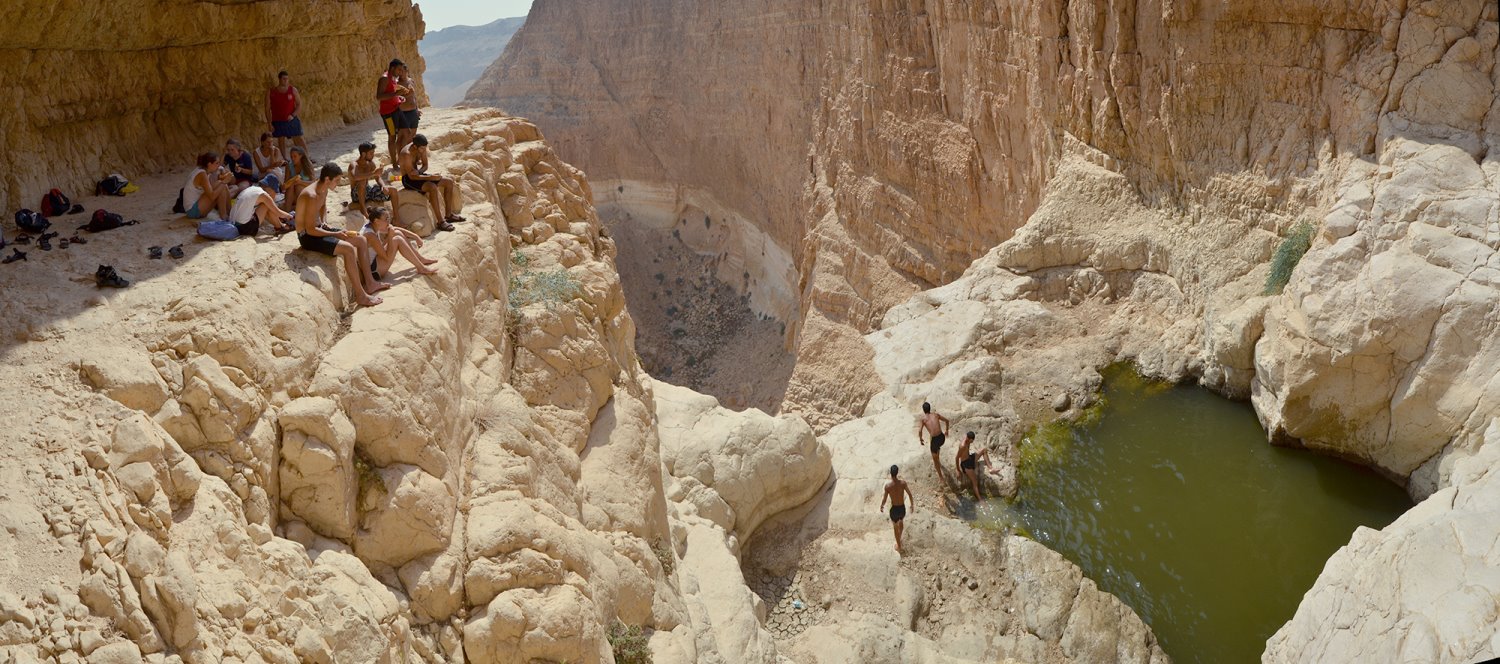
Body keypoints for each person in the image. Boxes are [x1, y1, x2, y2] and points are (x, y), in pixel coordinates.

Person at [293, 163, 387, 307]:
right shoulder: (310, 195)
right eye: (336, 180)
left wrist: (324, 222)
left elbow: (323, 206)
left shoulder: (323, 189)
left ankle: (370, 283)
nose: (337, 183)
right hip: (307, 236)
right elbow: (310, 230)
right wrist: (336, 233)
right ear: (327, 179)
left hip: (318, 228)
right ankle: (361, 296)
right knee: (348, 249)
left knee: (361, 240)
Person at [400, 134, 465, 229]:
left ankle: (449, 215)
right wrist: (430, 178)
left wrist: (419, 172)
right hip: (408, 179)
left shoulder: (421, 147)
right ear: (415, 146)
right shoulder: (407, 154)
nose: (424, 150)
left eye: (425, 148)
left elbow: (425, 166)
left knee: (449, 182)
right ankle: (441, 222)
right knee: (432, 187)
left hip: (417, 174)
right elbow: (412, 177)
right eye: (422, 148)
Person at [361, 206, 438, 279]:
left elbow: (395, 229)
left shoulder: (373, 224)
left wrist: (415, 236)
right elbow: (386, 257)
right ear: (377, 221)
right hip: (374, 271)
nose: (388, 221)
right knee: (397, 239)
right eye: (386, 219)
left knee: (397, 233)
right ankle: (421, 268)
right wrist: (390, 236)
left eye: (388, 218)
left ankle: (420, 259)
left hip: (377, 261)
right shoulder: (370, 235)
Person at [376, 59, 414, 166]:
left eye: (402, 70)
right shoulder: (384, 78)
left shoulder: (393, 78)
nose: (400, 72)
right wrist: (396, 93)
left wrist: (402, 95)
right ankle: (394, 163)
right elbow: (379, 97)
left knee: (407, 132)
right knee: (392, 136)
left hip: (396, 109)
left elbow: (392, 94)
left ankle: (401, 157)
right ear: (392, 68)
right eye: (399, 69)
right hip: (388, 113)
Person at [266, 70, 309, 160]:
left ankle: (306, 157)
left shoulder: (292, 90)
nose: (286, 81)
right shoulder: (271, 92)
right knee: (281, 139)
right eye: (284, 79)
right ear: (279, 79)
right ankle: (285, 158)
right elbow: (267, 109)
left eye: (287, 79)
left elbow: (299, 104)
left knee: (298, 137)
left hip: (291, 119)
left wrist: (293, 115)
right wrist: (269, 123)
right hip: (277, 119)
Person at [348, 142, 399, 219]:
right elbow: (355, 177)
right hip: (357, 195)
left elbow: (378, 177)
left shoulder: (370, 163)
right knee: (362, 181)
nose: (373, 155)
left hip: (368, 192)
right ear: (363, 154)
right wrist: (373, 173)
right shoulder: (354, 164)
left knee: (393, 190)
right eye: (371, 153)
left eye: (373, 153)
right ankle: (362, 208)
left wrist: (383, 186)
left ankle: (397, 218)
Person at [228, 180, 294, 236]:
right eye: (275, 192)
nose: (275, 196)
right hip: (244, 228)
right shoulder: (263, 195)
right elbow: (278, 212)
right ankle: (280, 227)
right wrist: (289, 216)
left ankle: (280, 224)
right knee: (266, 205)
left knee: (266, 206)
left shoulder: (253, 189)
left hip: (234, 224)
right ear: (270, 189)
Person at [879, 465, 915, 555]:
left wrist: (882, 506)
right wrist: (912, 505)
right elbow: (910, 494)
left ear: (890, 473)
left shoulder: (888, 486)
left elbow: (884, 499)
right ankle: (900, 538)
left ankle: (899, 546)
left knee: (895, 527)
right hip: (902, 508)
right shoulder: (903, 483)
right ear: (897, 473)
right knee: (901, 522)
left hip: (894, 509)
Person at [182, 152, 230, 220]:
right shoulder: (202, 174)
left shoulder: (205, 171)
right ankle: (224, 216)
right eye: (217, 163)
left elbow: (212, 188)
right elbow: (212, 196)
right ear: (209, 164)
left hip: (198, 204)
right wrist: (225, 182)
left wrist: (223, 181)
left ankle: (230, 213)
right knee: (221, 187)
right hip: (192, 211)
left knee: (220, 184)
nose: (219, 165)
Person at [954, 432, 996, 500]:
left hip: (970, 458)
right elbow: (956, 458)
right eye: (972, 440)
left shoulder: (968, 441)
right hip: (966, 464)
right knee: (975, 481)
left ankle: (990, 468)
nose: (973, 442)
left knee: (984, 450)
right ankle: (980, 499)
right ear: (970, 439)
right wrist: (958, 470)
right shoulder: (962, 446)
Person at [916, 402, 950, 481]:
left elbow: (920, 431)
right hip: (942, 438)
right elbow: (947, 421)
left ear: (923, 410)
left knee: (935, 460)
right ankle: (937, 454)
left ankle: (941, 477)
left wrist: (920, 439)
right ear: (930, 408)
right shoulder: (936, 415)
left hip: (935, 440)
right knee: (936, 447)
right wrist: (947, 431)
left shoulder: (923, 420)